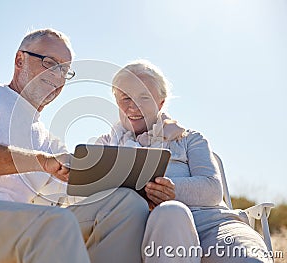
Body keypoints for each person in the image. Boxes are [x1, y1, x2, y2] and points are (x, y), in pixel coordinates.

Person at [0, 29, 149, 263]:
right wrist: (41, 161)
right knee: (55, 224)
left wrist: (143, 188)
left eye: (65, 71)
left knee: (126, 205)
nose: (58, 76)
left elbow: (67, 197)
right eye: (50, 63)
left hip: (10, 223)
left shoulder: (48, 141)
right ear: (20, 60)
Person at [96, 60, 272, 263]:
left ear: (160, 103)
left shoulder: (188, 139)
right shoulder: (107, 146)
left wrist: (172, 190)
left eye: (144, 97)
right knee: (171, 212)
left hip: (211, 225)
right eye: (125, 97)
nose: (133, 106)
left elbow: (213, 189)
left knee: (248, 259)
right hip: (149, 230)